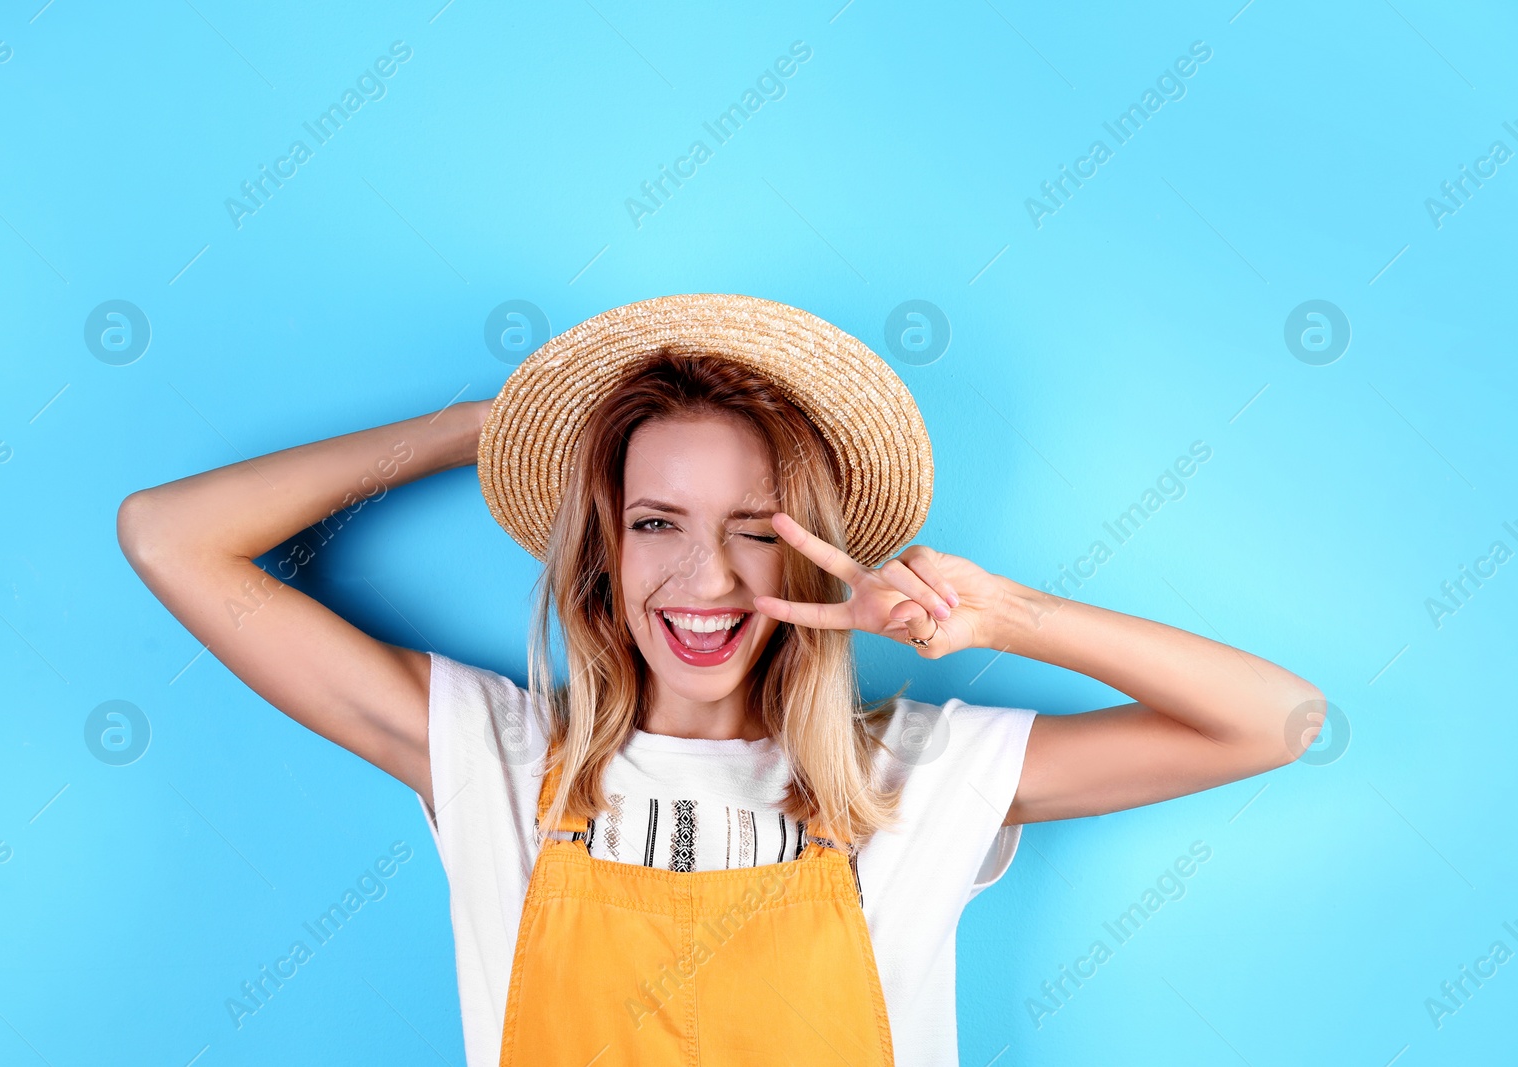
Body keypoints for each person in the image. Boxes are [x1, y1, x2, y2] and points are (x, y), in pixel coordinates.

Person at [118, 294, 1324, 1066]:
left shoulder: (908, 775)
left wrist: (1002, 614)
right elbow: (167, 535)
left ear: (807, 543)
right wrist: (475, 426)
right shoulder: (496, 759)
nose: (705, 577)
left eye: (754, 526)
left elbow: (1276, 720)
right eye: (655, 521)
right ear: (606, 546)